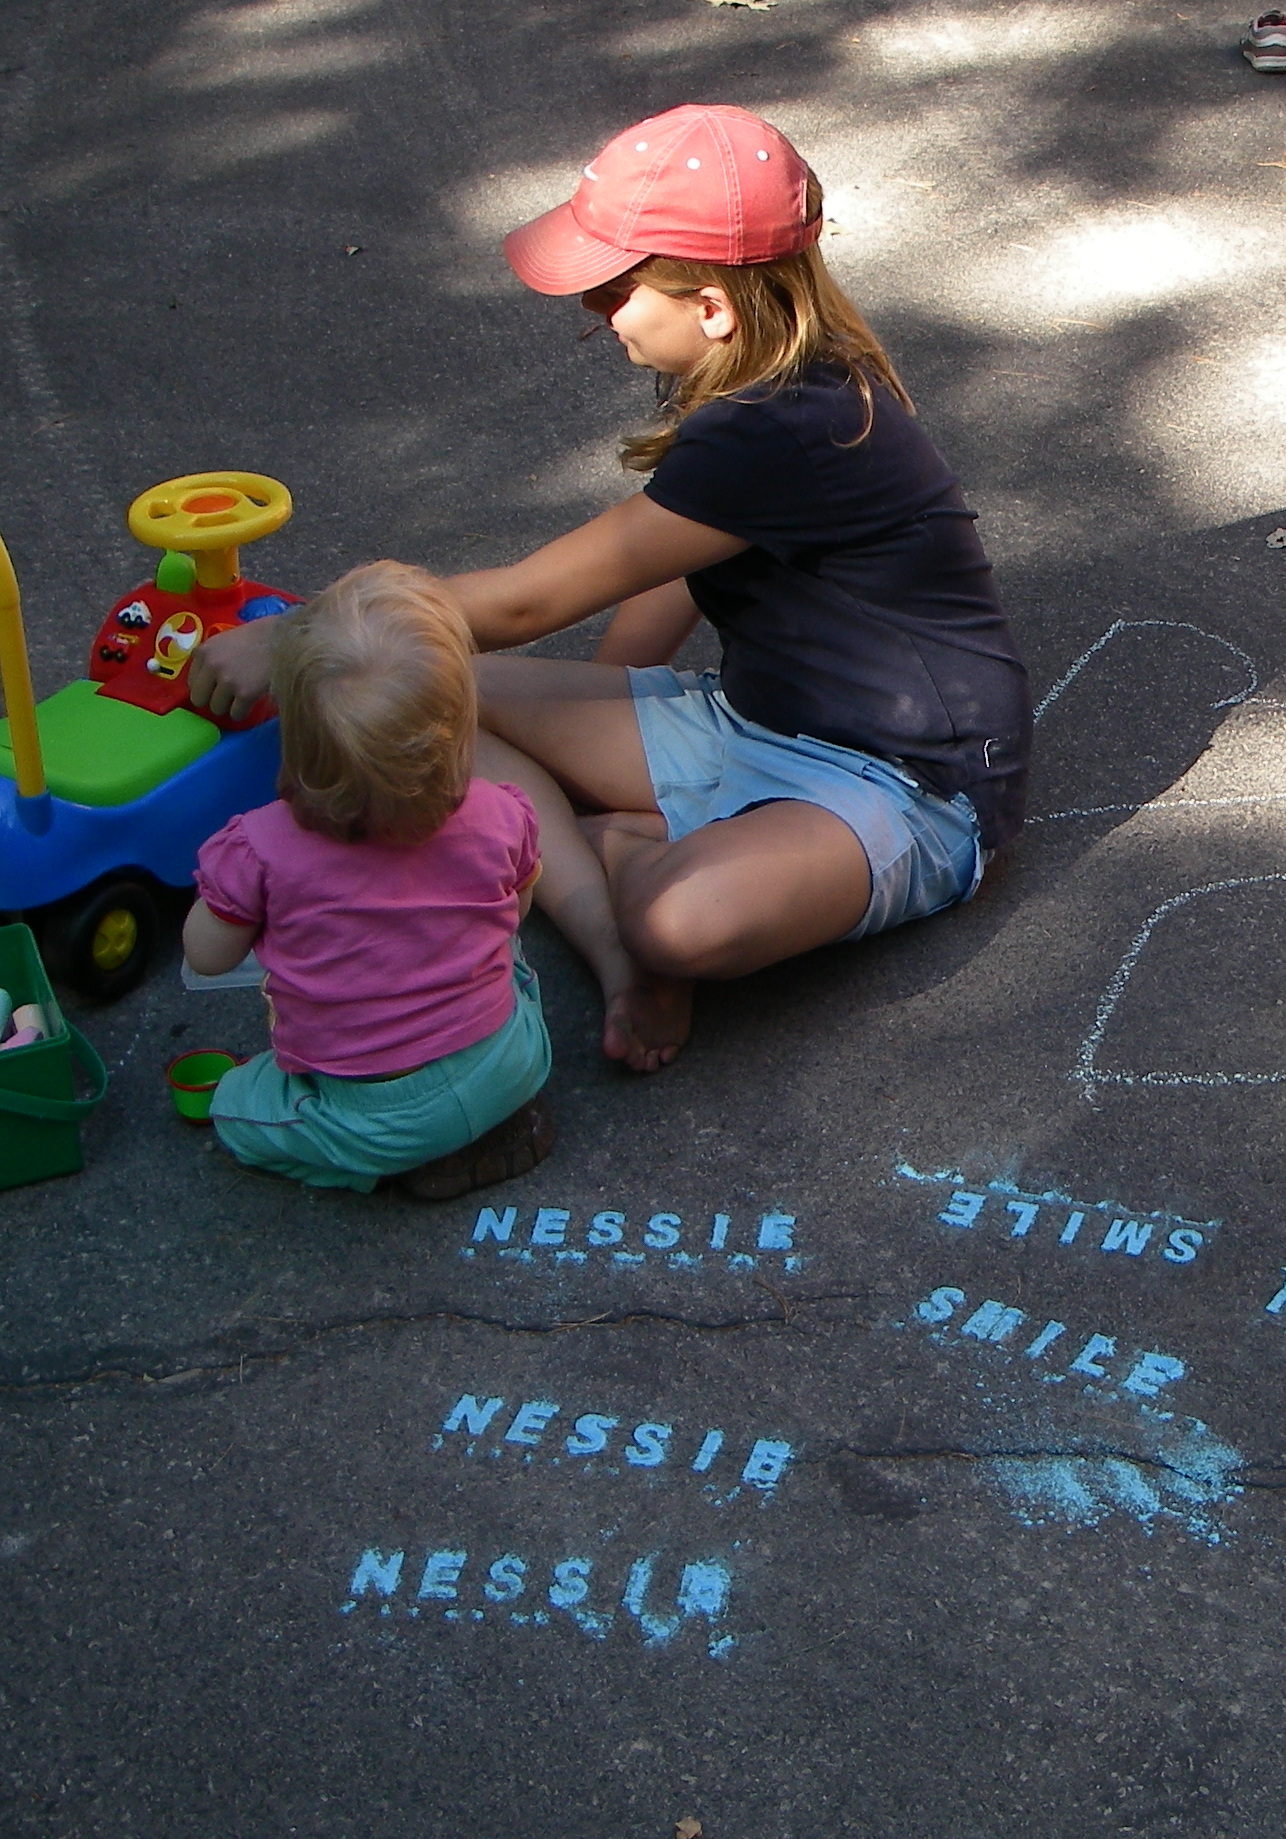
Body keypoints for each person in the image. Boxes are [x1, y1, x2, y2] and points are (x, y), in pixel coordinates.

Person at [188, 104, 1028, 1072]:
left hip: (905, 781)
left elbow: (524, 604)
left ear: (711, 307)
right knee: (422, 703)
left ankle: (627, 862)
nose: (594, 312)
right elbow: (675, 567)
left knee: (680, 921)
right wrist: (604, 720)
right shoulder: (761, 380)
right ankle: (609, 929)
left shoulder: (783, 425)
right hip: (753, 721)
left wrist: (296, 637)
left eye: (613, 290)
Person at [182, 561, 554, 1197]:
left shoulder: (257, 849)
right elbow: (515, 911)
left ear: (296, 738)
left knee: (237, 1109)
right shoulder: (502, 813)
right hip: (511, 1061)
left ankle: (387, 1161)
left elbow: (206, 956)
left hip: (374, 1114)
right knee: (506, 953)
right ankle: (485, 1127)